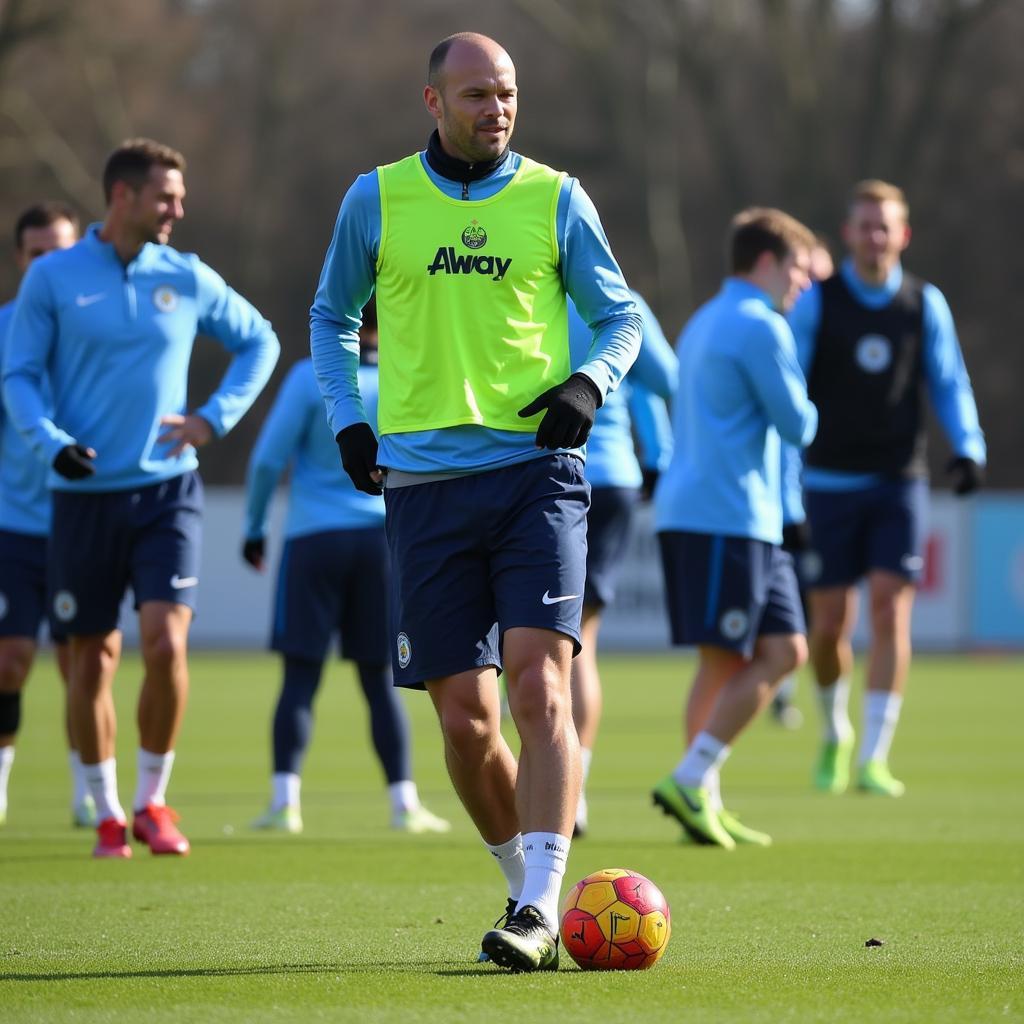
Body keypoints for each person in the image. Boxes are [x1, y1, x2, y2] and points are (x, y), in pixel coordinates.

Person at [310, 32, 640, 971]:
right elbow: (330, 319)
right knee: (464, 721)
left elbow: (621, 320)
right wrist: (348, 418)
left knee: (540, 683)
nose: (496, 109)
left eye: (507, 94)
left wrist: (588, 387)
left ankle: (540, 908)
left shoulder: (557, 198)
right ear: (431, 101)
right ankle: (523, 878)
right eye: (476, 95)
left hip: (537, 477)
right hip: (421, 488)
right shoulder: (374, 199)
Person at [2, 138, 280, 858]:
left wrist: (210, 420)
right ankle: (103, 811)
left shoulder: (184, 276)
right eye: (166, 197)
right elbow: (21, 376)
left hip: (167, 492)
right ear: (122, 196)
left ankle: (153, 801)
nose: (178, 209)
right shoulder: (54, 279)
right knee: (90, 661)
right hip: (82, 497)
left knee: (165, 640)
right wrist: (48, 439)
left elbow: (261, 342)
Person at [790, 180, 985, 797]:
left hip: (899, 479)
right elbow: (787, 381)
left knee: (890, 609)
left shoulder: (923, 303)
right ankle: (835, 731)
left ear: (903, 235)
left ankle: (875, 756)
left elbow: (948, 380)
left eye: (886, 226)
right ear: (848, 234)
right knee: (828, 626)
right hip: (826, 482)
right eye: (865, 225)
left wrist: (968, 446)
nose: (875, 236)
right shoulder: (818, 302)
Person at [242, 307, 449, 836]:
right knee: (380, 678)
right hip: (384, 542)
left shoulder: (311, 374)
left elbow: (268, 459)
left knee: (300, 677)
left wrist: (254, 526)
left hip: (313, 542)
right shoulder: (411, 372)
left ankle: (284, 803)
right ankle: (404, 804)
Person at [651, 208, 817, 850]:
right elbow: (798, 423)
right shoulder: (757, 325)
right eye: (799, 268)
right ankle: (695, 788)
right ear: (769, 262)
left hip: (743, 517)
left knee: (784, 651)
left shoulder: (706, 318)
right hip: (721, 515)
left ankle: (698, 786)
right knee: (725, 661)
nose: (803, 284)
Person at [569, 291, 676, 837]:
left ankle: (553, 789)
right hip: (612, 475)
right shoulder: (622, 299)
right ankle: (574, 792)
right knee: (580, 642)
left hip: (537, 473)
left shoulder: (510, 272)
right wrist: (657, 455)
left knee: (530, 642)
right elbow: (660, 379)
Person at [0, 202, 88, 827]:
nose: (47, 263)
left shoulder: (94, 326)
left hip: (81, 522)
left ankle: (90, 786)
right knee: (9, 660)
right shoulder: (5, 330)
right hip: (13, 527)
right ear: (19, 259)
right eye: (36, 253)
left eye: (59, 251)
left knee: (78, 662)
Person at [770, 235, 834, 730]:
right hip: (786, 496)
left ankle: (784, 689)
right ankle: (780, 689)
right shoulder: (781, 333)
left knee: (814, 603)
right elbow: (793, 429)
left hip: (819, 491)